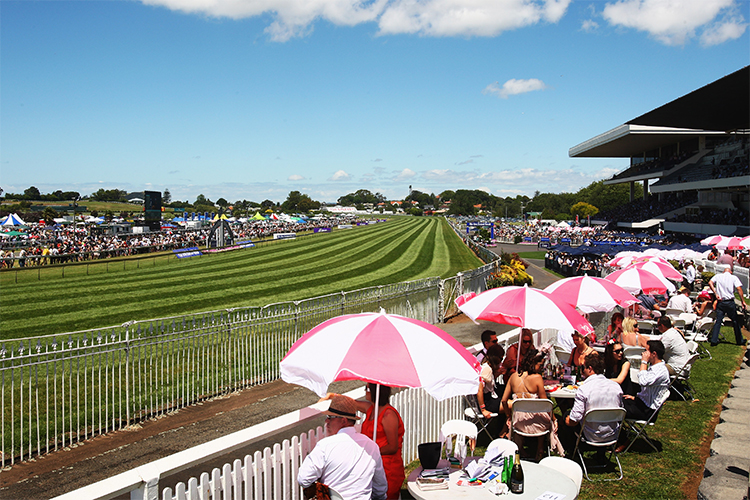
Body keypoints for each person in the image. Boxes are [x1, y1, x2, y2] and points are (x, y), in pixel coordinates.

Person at [298, 395, 388, 500]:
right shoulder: (371, 446)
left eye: (330, 417)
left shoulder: (325, 446)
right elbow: (380, 488)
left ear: (344, 421)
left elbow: (303, 479)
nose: (327, 421)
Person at [501, 348, 563, 460]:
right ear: (533, 363)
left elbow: (504, 400)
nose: (541, 368)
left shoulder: (513, 377)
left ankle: (520, 449)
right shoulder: (537, 378)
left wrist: (508, 416)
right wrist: (554, 419)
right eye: (540, 364)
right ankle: (540, 448)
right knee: (542, 415)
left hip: (519, 422)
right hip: (538, 424)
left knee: (532, 414)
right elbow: (546, 404)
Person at [617, 340, 670, 452]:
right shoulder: (655, 368)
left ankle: (623, 440)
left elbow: (643, 381)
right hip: (642, 403)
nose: (643, 354)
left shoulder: (660, 370)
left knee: (615, 409)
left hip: (647, 411)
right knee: (615, 400)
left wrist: (643, 362)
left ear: (653, 354)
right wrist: (635, 398)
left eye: (646, 351)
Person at [353, 385, 405, 500]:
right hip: (371, 465)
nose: (365, 391)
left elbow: (392, 447)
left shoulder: (388, 415)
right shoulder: (371, 408)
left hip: (387, 468)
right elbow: (352, 403)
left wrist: (371, 452)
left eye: (366, 388)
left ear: (375, 392)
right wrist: (333, 396)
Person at [565, 352, 624, 445]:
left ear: (590, 369)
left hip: (590, 434)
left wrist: (568, 420)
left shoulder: (584, 389)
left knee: (567, 416)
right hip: (612, 434)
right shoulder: (616, 387)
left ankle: (572, 450)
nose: (582, 370)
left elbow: (575, 418)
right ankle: (601, 454)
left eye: (583, 368)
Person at [708, 265, 748, 346]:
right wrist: (743, 301)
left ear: (723, 271)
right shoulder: (734, 278)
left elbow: (710, 282)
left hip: (721, 301)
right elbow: (739, 288)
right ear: (731, 272)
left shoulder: (718, 276)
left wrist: (715, 293)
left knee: (718, 321)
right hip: (729, 302)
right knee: (735, 321)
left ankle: (714, 339)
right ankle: (739, 340)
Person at [477, 344, 506, 419]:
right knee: (513, 406)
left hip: (490, 399)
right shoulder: (487, 369)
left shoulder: (487, 367)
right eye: (501, 359)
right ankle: (504, 429)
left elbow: (489, 384)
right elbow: (479, 389)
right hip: (488, 403)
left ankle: (504, 428)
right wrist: (483, 409)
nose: (501, 361)